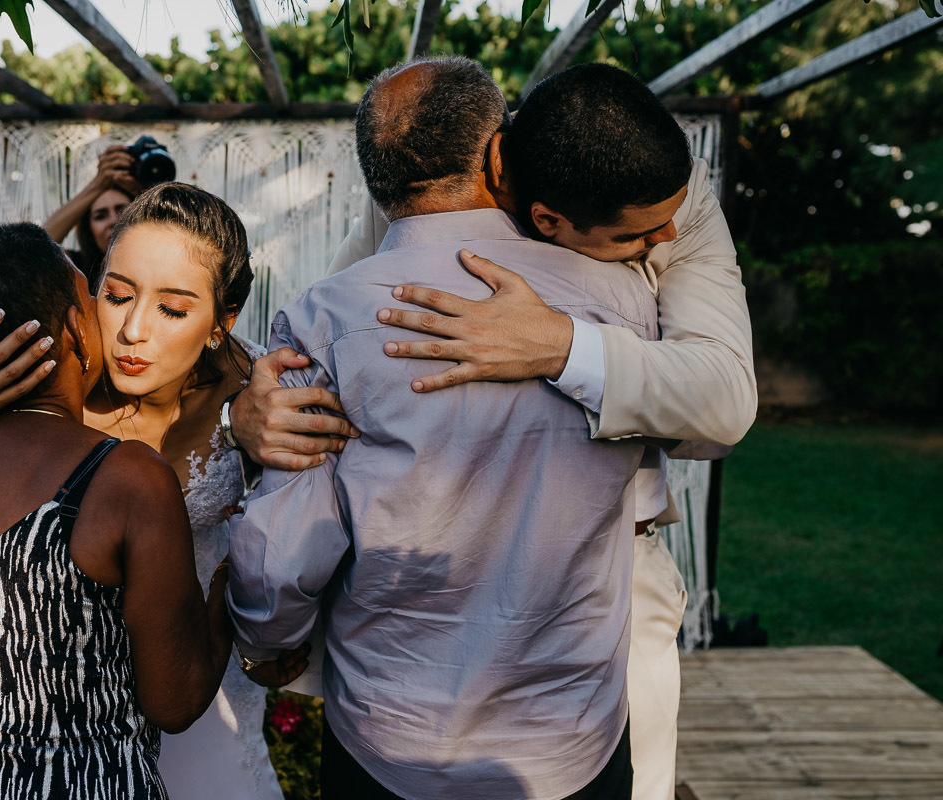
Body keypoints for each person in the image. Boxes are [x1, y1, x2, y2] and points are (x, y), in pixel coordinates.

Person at [232, 63, 753, 800]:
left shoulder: (670, 205)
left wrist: (267, 641)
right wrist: (248, 414)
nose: (660, 240)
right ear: (503, 159)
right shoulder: (628, 297)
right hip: (563, 730)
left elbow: (288, 547)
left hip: (416, 721)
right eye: (643, 232)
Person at [0, 184, 317, 800]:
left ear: (221, 322)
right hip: (74, 717)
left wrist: (262, 637)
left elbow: (314, 533)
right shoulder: (43, 387)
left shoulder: (253, 392)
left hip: (206, 688)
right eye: (115, 296)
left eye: (173, 309)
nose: (133, 331)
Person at [0, 222, 232, 798]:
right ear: (75, 329)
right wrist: (224, 592)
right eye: (94, 302)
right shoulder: (126, 478)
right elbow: (176, 700)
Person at [43, 145, 145, 282]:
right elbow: (37, 246)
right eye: (100, 216)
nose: (114, 221)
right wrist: (98, 183)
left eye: (122, 211)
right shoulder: (76, 268)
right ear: (89, 231)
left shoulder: (159, 262)